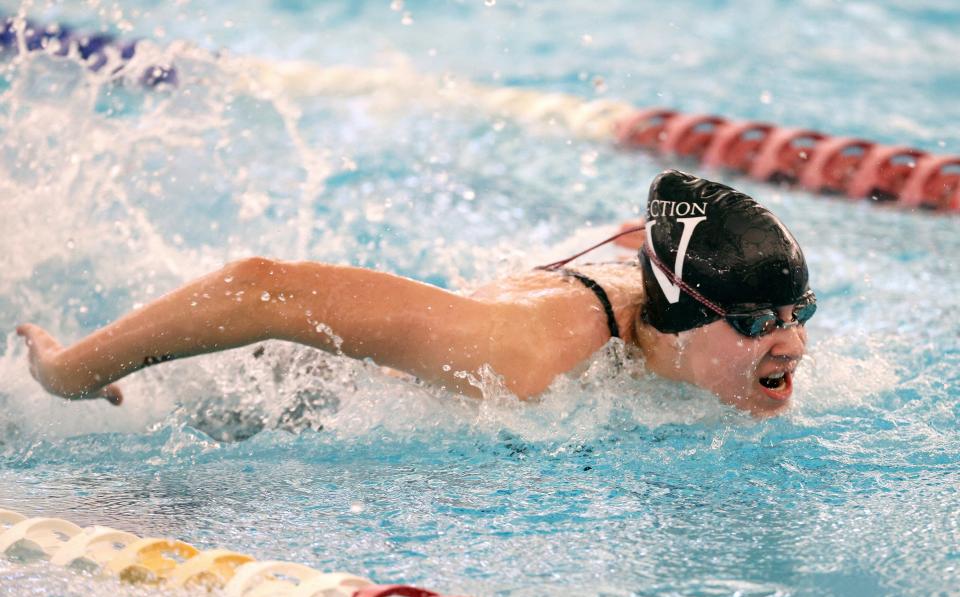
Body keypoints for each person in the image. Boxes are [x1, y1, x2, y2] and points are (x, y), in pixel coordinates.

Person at [16, 170, 815, 417]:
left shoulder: (709, 327)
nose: (793, 345)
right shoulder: (524, 352)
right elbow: (261, 289)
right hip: (291, 396)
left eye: (797, 315)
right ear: (677, 319)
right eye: (754, 323)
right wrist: (69, 374)